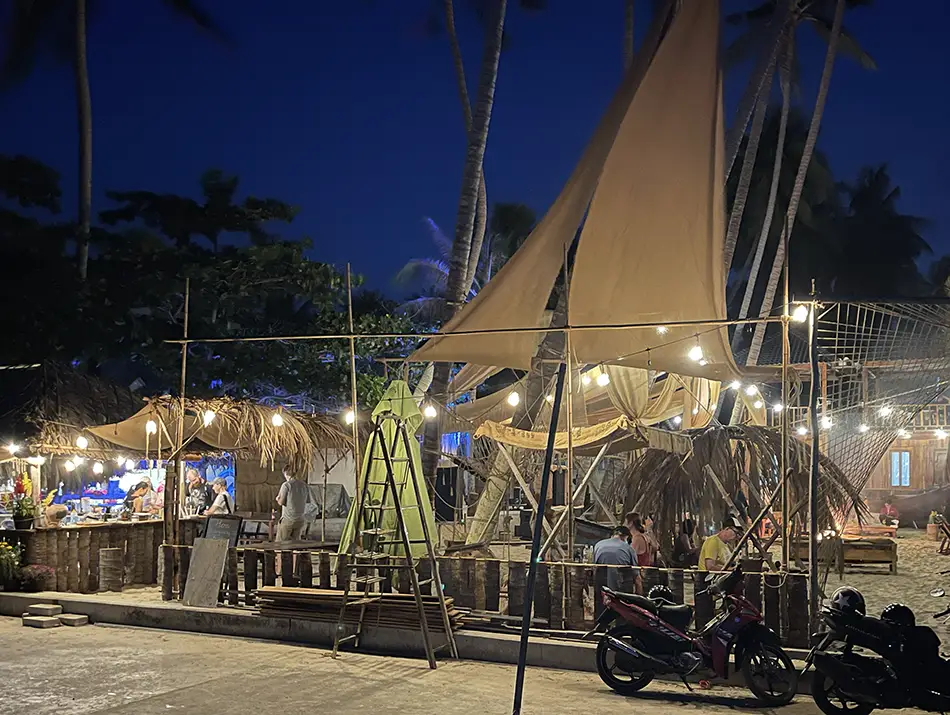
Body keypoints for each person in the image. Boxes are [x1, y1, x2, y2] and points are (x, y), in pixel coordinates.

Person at [593, 525, 641, 615]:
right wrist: (640, 600)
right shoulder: (629, 549)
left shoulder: (598, 545)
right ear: (626, 537)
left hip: (601, 586)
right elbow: (636, 577)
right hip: (621, 589)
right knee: (622, 613)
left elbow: (594, 568)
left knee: (601, 613)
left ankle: (600, 626)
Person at [276, 465, 312, 542]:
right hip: (300, 519)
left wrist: (278, 499)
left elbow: (281, 502)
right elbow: (307, 500)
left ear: (285, 474)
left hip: (288, 519)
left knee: (280, 545)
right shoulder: (304, 485)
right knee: (295, 545)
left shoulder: (286, 485)